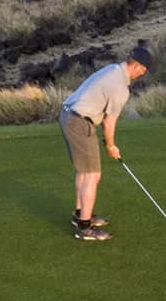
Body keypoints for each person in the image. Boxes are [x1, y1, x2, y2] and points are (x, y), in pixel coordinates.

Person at [59, 45, 152, 241]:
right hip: (79, 121)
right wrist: (110, 146)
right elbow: (109, 123)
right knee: (93, 174)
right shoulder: (120, 88)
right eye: (144, 70)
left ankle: (79, 214)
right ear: (138, 67)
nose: (143, 74)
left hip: (69, 114)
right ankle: (84, 227)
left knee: (85, 171)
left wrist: (107, 142)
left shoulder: (113, 69)